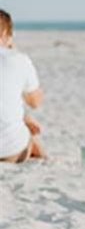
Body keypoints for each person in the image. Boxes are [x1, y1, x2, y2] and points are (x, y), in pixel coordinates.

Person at [0, 10, 46, 163]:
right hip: (11, 151)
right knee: (30, 136)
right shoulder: (19, 59)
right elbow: (35, 102)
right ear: (6, 33)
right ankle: (44, 158)